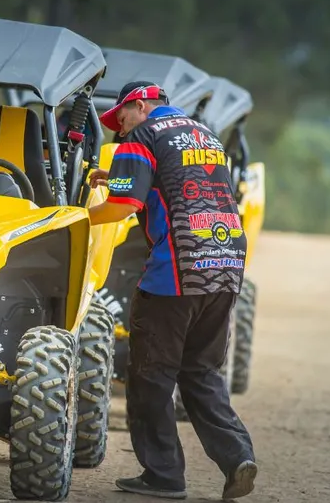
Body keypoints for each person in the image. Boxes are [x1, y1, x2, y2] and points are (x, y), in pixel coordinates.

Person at [87, 81, 257, 500]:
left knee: (150, 374)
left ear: (140, 105)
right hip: (226, 262)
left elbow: (124, 206)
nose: (118, 129)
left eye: (121, 117)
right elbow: (182, 182)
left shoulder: (141, 136)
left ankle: (163, 476)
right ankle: (238, 457)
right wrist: (119, 176)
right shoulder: (204, 134)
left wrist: (78, 218)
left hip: (177, 269)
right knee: (200, 371)